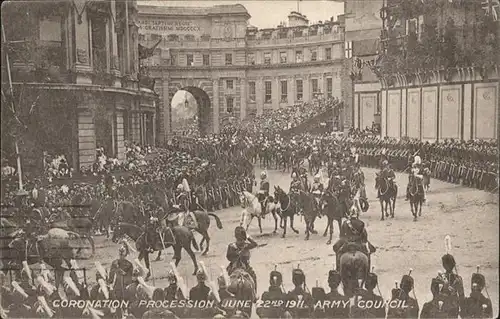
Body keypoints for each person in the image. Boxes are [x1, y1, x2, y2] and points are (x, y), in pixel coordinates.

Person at [226, 226, 258, 293]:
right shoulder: (246, 245)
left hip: (233, 267)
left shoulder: (231, 246)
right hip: (245, 267)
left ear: (235, 236)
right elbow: (255, 244)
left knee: (225, 279)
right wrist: (248, 236)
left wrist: (235, 255)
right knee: (253, 276)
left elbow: (228, 257)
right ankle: (254, 294)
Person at [437, 253, 465, 318]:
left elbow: (436, 294)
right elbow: (461, 295)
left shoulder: (439, 278)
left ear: (444, 265)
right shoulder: (458, 279)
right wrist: (463, 309)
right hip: (454, 306)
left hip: (444, 306)